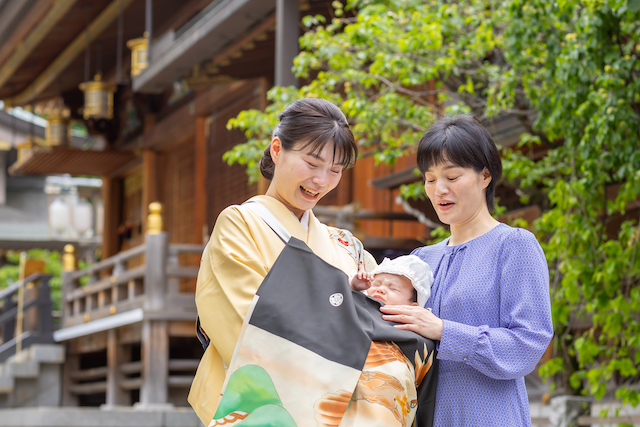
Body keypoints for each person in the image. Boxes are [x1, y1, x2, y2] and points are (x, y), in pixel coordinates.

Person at [188, 98, 436, 427]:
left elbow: (385, 319)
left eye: (335, 171)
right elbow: (244, 323)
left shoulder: (347, 245)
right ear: (277, 150)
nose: (321, 180)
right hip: (279, 405)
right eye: (312, 163)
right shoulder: (240, 225)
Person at [379, 114, 554, 426]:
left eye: (452, 177)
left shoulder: (515, 246)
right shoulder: (421, 259)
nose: (439, 190)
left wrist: (445, 332)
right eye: (430, 179)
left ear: (484, 175)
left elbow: (529, 345)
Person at [350, 254, 433, 308]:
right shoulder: (358, 306)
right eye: (376, 284)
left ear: (412, 307)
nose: (380, 289)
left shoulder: (407, 330)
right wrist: (354, 288)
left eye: (393, 288)